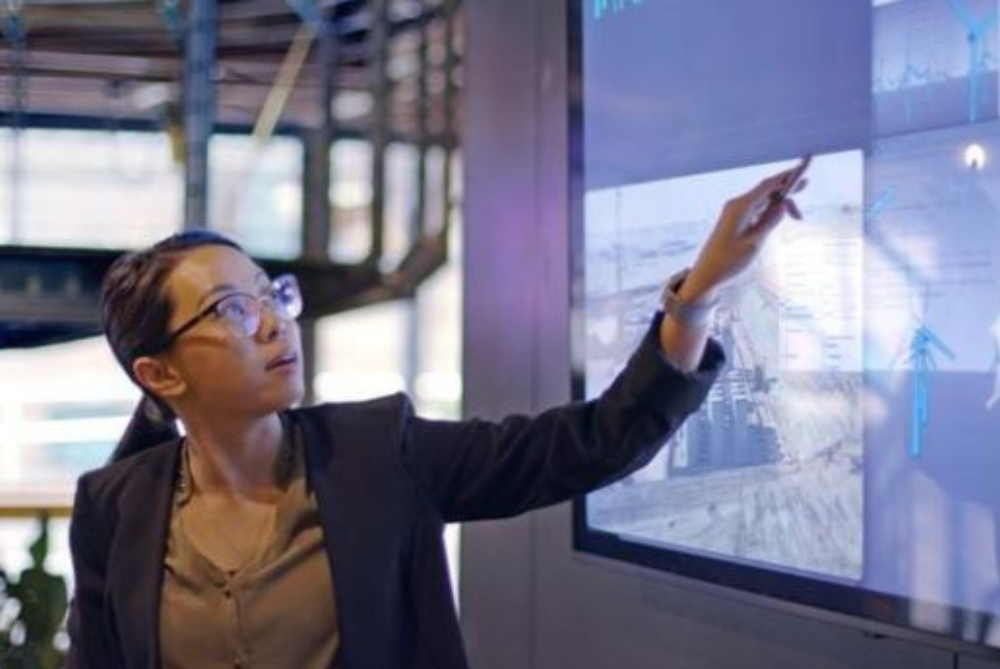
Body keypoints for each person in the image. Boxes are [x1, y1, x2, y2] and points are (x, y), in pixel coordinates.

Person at [66, 165, 807, 669]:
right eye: (233, 309)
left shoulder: (378, 453)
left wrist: (698, 294)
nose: (273, 324)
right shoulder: (115, 506)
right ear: (159, 372)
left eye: (272, 294)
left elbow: (593, 441)